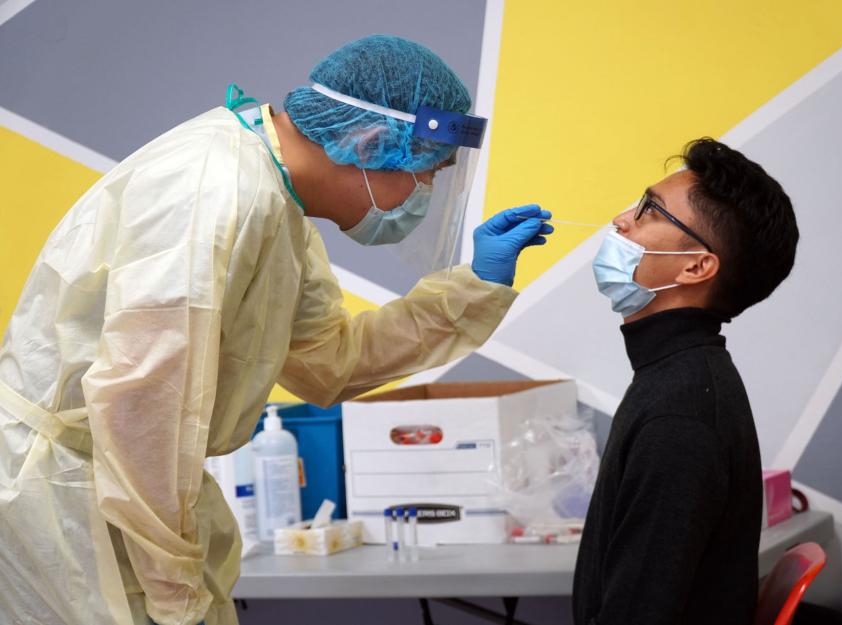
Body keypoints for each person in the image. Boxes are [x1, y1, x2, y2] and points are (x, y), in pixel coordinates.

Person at [0, 35, 552, 625]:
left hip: (123, 488)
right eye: (426, 175)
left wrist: (473, 287)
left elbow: (328, 362)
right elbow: (140, 410)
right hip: (71, 495)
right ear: (367, 144)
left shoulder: (274, 197)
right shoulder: (214, 194)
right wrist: (174, 594)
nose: (424, 196)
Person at [573, 138, 799, 625]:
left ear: (697, 266)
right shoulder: (682, 376)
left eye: (649, 211)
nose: (622, 220)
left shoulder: (680, 416)